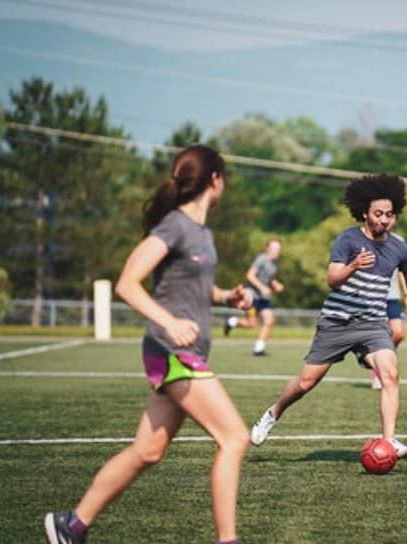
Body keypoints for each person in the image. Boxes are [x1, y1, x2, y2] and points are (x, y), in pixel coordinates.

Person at [44, 145, 253, 544]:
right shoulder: (174, 226)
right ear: (215, 179)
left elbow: (191, 288)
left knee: (148, 451)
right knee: (234, 437)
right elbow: (127, 282)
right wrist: (169, 321)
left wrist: (227, 297)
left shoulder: (201, 232)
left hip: (177, 353)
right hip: (173, 354)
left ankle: (70, 527)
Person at [249, 173, 407, 459]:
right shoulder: (348, 239)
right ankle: (273, 413)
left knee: (391, 373)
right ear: (365, 213)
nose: (384, 219)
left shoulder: (399, 247)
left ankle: (390, 440)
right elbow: (332, 279)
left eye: (389, 214)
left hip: (373, 324)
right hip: (337, 322)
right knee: (305, 384)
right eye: (378, 214)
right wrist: (353, 266)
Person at [224, 237, 285, 355]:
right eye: (273, 248)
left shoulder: (275, 263)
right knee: (252, 324)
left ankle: (259, 349)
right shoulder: (261, 259)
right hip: (252, 297)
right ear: (267, 249)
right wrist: (262, 288)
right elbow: (250, 275)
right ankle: (232, 321)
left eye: (278, 249)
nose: (276, 251)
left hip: (264, 298)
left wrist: (275, 284)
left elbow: (269, 277)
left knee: (269, 320)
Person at [370, 227, 407, 390]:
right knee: (378, 335)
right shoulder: (366, 238)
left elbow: (402, 271)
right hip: (373, 296)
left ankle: (382, 362)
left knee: (399, 332)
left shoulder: (398, 240)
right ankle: (378, 372)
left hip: (393, 296)